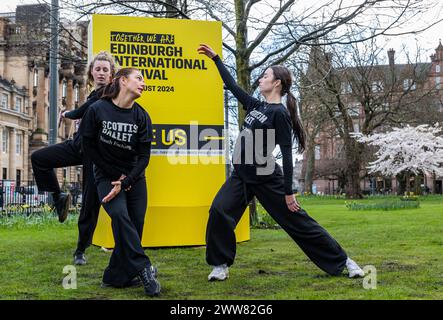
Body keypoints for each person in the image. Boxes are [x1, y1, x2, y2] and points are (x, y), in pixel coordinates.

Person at [197, 44, 365, 281]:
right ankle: (220, 264)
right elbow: (233, 86)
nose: (260, 79)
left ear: (277, 83)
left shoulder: (279, 113)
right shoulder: (257, 105)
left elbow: (286, 155)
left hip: (266, 177)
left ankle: (344, 261)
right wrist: (216, 59)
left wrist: (289, 192)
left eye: (265, 76)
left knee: (299, 222)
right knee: (219, 211)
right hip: (242, 175)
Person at [31, 51, 116, 265]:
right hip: (77, 146)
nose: (101, 73)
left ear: (112, 74)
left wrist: (70, 114)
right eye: (97, 69)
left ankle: (80, 250)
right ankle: (59, 197)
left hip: (94, 155)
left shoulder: (110, 92)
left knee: (89, 203)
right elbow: (87, 109)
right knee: (39, 158)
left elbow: (83, 110)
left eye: (106, 70)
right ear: (91, 72)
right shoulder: (91, 94)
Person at [81, 67, 160, 296]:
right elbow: (89, 148)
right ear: (123, 81)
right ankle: (144, 268)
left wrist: (126, 181)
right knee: (119, 215)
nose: (143, 83)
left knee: (134, 226)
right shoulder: (97, 110)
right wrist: (114, 175)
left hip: (134, 177)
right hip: (105, 176)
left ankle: (114, 277)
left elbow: (144, 157)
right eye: (139, 78)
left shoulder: (142, 116)